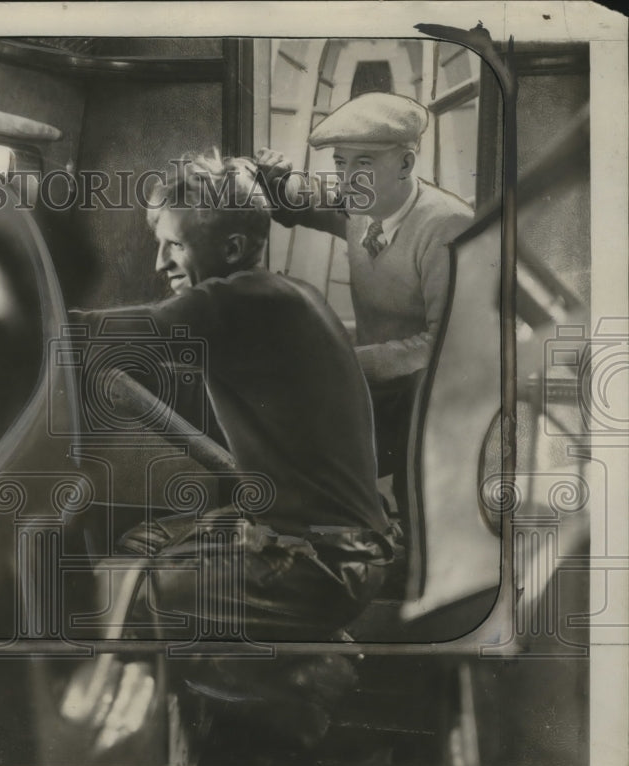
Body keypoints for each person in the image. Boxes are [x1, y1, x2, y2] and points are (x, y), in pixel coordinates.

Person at [69, 149, 396, 641]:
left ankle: (289, 694)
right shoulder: (283, 295)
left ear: (232, 247)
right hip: (314, 539)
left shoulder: (245, 302)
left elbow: (91, 335)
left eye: (174, 245)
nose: (160, 263)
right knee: (142, 542)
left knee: (117, 596)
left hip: (325, 562)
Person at [256, 92, 473, 534]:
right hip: (383, 386)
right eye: (341, 163)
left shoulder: (447, 226)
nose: (348, 179)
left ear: (406, 165)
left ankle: (402, 557)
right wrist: (274, 180)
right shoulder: (361, 207)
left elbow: (446, 346)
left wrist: (348, 363)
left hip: (435, 395)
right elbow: (299, 206)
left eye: (364, 163)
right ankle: (349, 542)